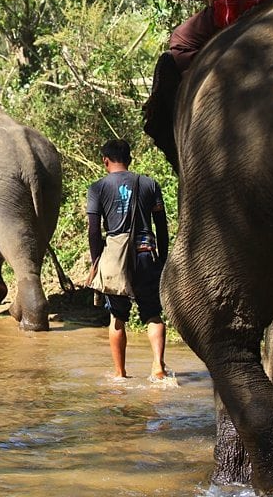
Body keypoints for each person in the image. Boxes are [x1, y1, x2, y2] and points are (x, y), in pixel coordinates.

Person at [86, 138, 170, 380]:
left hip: (114, 259)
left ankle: (120, 373)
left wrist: (96, 263)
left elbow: (94, 231)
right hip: (146, 254)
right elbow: (161, 227)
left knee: (117, 317)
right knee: (153, 313)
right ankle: (158, 366)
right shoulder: (149, 184)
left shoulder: (98, 188)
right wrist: (162, 259)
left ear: (105, 161)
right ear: (129, 159)